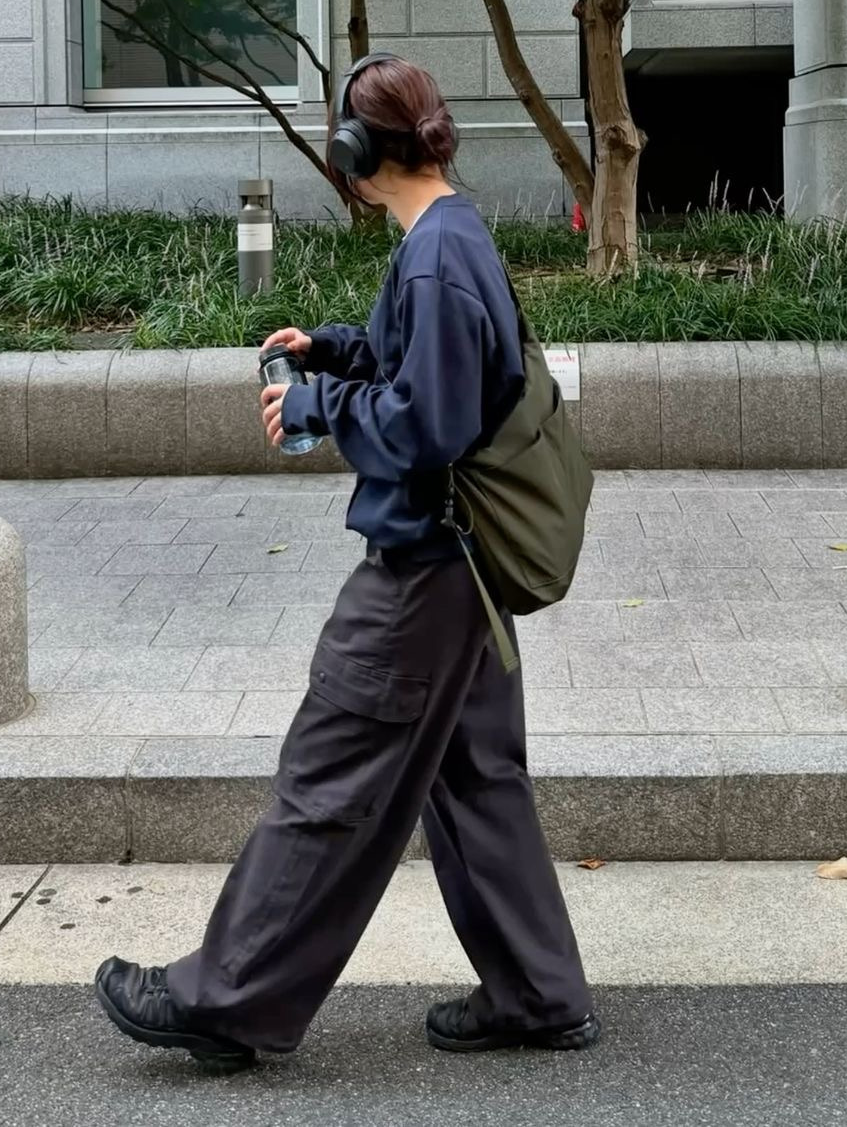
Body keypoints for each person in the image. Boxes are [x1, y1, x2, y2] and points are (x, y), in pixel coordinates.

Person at [95, 52, 598, 1073]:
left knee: (327, 774)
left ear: (355, 152)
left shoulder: (437, 255)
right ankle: (537, 993)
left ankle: (224, 1000)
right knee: (475, 777)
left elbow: (430, 425)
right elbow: (423, 363)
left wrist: (318, 405)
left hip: (426, 569)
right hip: (466, 575)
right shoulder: (448, 235)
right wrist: (333, 350)